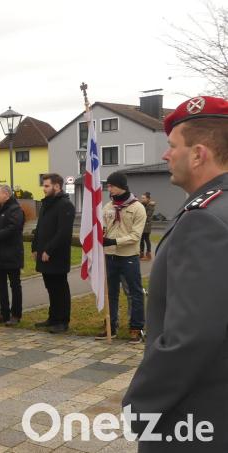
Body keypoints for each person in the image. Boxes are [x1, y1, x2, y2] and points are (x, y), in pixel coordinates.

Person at [123, 96, 228, 452]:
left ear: (198, 154)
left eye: (172, 146)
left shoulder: (204, 219)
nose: (166, 156)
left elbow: (191, 336)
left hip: (197, 419)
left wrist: (139, 409)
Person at [97, 171, 146, 343]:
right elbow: (103, 227)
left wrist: (113, 241)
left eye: (111, 185)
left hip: (128, 256)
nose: (108, 188)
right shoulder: (108, 207)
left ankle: (136, 327)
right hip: (110, 256)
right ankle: (111, 325)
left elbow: (135, 236)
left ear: (121, 186)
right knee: (110, 293)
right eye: (108, 185)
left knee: (134, 292)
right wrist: (100, 235)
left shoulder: (137, 208)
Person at [31, 173, 75, 334]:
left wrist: (49, 250)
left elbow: (63, 232)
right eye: (44, 185)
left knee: (60, 288)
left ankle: (62, 321)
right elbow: (40, 228)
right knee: (50, 287)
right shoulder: (45, 204)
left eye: (47, 186)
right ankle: (53, 318)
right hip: (44, 253)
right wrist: (35, 247)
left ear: (57, 186)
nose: (44, 188)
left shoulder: (65, 205)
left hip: (57, 255)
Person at [0, 185, 25, 326]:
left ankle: (15, 314)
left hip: (12, 254)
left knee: (15, 285)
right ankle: (4, 312)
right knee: (0, 285)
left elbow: (13, 229)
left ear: (6, 195)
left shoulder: (15, 210)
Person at [139, 192, 155, 260]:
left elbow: (147, 216)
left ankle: (148, 255)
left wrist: (140, 218)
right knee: (141, 240)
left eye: (143, 198)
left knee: (146, 239)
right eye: (141, 198)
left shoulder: (150, 206)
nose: (142, 199)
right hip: (142, 225)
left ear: (148, 199)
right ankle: (141, 254)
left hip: (146, 225)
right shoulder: (142, 204)